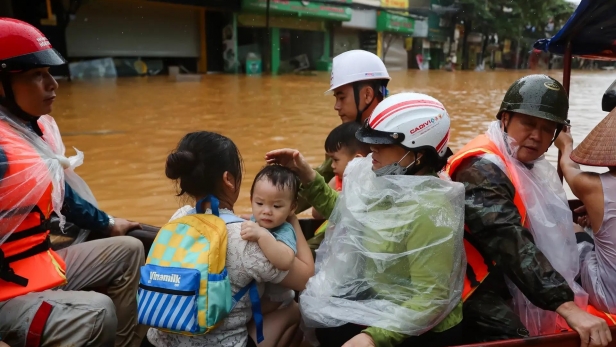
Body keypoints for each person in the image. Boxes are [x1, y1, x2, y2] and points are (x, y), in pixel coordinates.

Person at [267, 93, 466, 347]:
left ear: (418, 153)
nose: (373, 150)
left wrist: (372, 337)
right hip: (384, 300)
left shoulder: (431, 211)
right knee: (326, 325)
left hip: (424, 329)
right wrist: (306, 175)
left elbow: (431, 298)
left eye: (382, 145)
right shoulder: (385, 178)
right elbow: (349, 214)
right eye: (372, 143)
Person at [0, 18, 145, 347]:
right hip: (5, 292)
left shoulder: (32, 130)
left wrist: (107, 223)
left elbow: (60, 196)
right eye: (37, 75)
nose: (53, 85)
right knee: (96, 311)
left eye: (48, 73)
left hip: (36, 262)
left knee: (130, 249)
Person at [444, 74, 613, 346]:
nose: (537, 136)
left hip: (503, 271)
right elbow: (510, 239)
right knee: (516, 337)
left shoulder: (525, 164)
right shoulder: (482, 168)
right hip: (470, 284)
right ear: (505, 118)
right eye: (529, 123)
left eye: (548, 129)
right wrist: (566, 306)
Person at [147, 131, 314, 347]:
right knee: (292, 309)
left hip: (155, 342)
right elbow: (306, 278)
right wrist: (290, 216)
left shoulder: (177, 219)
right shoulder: (247, 238)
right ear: (229, 179)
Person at [297, 50, 390, 212]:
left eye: (342, 97)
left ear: (367, 94)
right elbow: (312, 187)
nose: (336, 106)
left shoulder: (394, 140)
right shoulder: (349, 138)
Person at [555, 109, 616, 314]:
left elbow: (568, 165)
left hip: (609, 298)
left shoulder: (593, 186)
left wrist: (565, 143)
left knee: (571, 227)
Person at [242, 164, 301, 310]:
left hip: (279, 301)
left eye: (276, 206)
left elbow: (285, 261)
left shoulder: (285, 230)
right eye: (260, 203)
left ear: (292, 208)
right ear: (251, 200)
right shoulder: (255, 221)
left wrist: (262, 235)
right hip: (260, 294)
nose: (266, 211)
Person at [312, 121, 371, 219]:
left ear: (357, 160)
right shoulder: (337, 181)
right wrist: (336, 198)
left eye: (336, 160)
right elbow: (316, 214)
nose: (332, 165)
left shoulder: (371, 182)